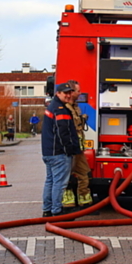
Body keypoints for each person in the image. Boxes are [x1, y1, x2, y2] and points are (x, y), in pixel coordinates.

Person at [41, 83, 81, 217]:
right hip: (59, 153)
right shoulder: (60, 110)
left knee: (50, 181)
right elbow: (63, 133)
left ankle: (47, 210)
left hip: (48, 152)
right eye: (66, 93)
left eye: (70, 92)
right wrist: (69, 149)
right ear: (58, 93)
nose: (69, 95)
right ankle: (57, 211)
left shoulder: (52, 107)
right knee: (59, 183)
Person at [61, 80, 93, 212]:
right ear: (71, 92)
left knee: (84, 172)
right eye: (78, 91)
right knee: (67, 175)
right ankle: (67, 204)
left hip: (78, 148)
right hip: (70, 148)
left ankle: (85, 202)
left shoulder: (75, 107)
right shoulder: (66, 108)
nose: (80, 94)